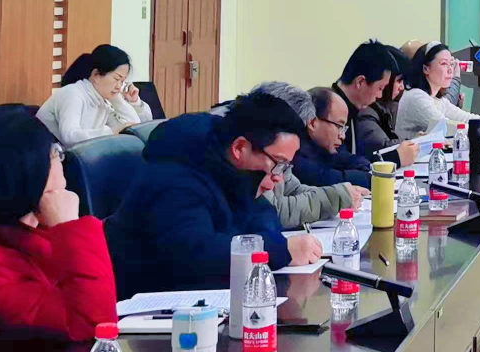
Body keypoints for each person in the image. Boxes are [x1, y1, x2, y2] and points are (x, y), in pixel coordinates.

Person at [0, 112, 117, 352]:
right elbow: (92, 325)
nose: (61, 161)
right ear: (28, 173)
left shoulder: (29, 231)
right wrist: (70, 227)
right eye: (54, 154)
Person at [104, 89, 324, 298]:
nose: (279, 178)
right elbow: (195, 256)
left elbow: (263, 214)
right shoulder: (175, 177)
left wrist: (272, 245)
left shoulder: (234, 168)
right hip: (146, 305)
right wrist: (278, 250)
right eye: (278, 164)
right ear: (240, 148)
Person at [243, 83, 364, 227]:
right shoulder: (253, 152)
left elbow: (293, 189)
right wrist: (337, 196)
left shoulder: (285, 148)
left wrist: (340, 195)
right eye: (339, 126)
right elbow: (273, 212)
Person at [36, 43, 149, 147]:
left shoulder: (103, 100)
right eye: (116, 79)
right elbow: (70, 137)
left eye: (123, 81)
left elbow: (133, 127)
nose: (119, 86)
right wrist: (111, 132)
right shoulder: (73, 93)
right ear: (96, 75)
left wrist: (117, 99)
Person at [329, 41, 405, 159]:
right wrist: (396, 158)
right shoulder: (329, 110)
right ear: (360, 82)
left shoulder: (351, 108)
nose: (380, 95)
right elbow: (338, 162)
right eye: (380, 88)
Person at [300, 88, 379, 187]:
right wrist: (372, 178)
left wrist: (369, 166)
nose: (342, 136)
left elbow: (343, 157)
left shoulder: (323, 146)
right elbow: (326, 178)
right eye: (339, 126)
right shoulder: (295, 152)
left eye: (344, 128)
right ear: (312, 123)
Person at [397, 43, 466, 139]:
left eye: (451, 64)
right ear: (426, 69)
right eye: (444, 64)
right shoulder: (416, 96)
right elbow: (447, 127)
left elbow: (466, 118)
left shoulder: (438, 100)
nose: (450, 70)